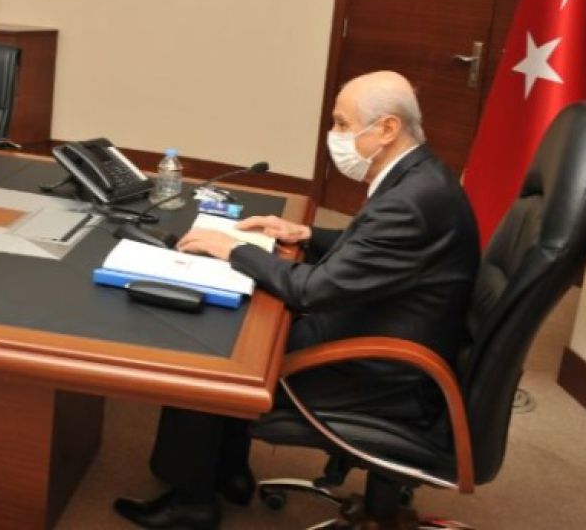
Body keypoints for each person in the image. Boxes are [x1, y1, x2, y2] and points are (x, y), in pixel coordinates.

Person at [114, 71, 481, 530]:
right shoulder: (422, 176)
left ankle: (191, 504)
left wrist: (235, 250)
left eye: (343, 124)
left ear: (388, 128)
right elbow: (374, 247)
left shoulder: (411, 201)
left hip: (380, 372)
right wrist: (306, 234)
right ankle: (228, 474)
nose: (334, 136)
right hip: (386, 333)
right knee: (242, 321)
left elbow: (312, 289)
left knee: (213, 350)